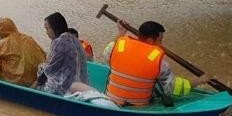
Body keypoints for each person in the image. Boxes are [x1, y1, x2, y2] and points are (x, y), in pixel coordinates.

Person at [74, 20, 209, 106]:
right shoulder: (159, 60)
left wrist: (121, 32)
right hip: (139, 106)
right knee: (160, 86)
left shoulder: (119, 46)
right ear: (151, 41)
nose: (161, 43)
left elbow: (107, 54)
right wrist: (200, 80)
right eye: (160, 40)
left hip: (112, 100)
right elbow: (173, 87)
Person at [0, 17, 46, 86]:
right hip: (36, 78)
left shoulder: (4, 43)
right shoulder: (28, 38)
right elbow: (44, 54)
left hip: (17, 79)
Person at [34, 12, 88, 95]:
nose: (46, 32)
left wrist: (34, 86)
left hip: (66, 87)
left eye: (47, 29)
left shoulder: (60, 42)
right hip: (80, 83)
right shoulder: (73, 38)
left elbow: (50, 69)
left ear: (55, 28)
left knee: (41, 72)